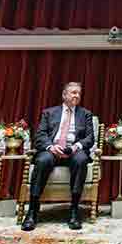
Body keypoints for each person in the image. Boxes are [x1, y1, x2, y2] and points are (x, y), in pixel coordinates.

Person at [21, 82, 95, 231]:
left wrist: (75, 147)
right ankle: (32, 211)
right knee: (42, 160)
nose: (76, 96)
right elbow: (40, 135)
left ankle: (74, 211)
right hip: (52, 149)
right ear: (64, 95)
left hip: (73, 150)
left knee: (81, 160)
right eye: (73, 92)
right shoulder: (49, 112)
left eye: (78, 93)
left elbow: (89, 138)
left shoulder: (85, 114)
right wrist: (51, 147)